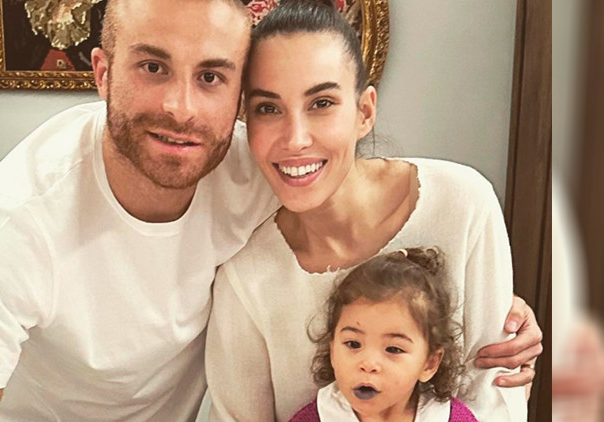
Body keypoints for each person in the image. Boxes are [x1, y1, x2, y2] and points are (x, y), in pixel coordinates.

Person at [0, 0, 540, 420]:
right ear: (101, 72)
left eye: (211, 76)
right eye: (152, 66)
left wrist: (492, 305)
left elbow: (344, 186)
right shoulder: (12, 225)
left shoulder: (260, 168)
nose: (181, 108)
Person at [204, 1, 535, 421]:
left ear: (364, 112)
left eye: (321, 103)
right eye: (268, 108)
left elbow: (497, 397)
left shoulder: (464, 204)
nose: (296, 138)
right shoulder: (246, 279)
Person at [289, 247, 478, 422]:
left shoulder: (449, 418)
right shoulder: (315, 417)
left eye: (393, 349)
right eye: (353, 344)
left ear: (429, 364)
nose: (368, 364)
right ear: (332, 352)